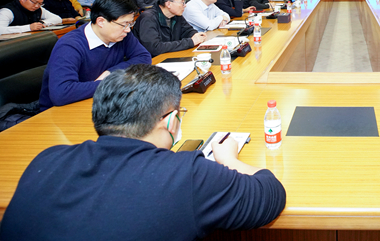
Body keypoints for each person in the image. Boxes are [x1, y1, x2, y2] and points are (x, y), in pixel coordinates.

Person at [1, 64, 286, 240]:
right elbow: (271, 193)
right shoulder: (186, 175)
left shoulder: (48, 159)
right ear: (170, 121)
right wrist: (229, 159)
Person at [39, 0, 151, 111]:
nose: (128, 29)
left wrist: (111, 73)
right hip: (63, 111)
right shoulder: (70, 45)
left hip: (101, 101)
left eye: (130, 24)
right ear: (101, 21)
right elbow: (61, 93)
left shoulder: (122, 34)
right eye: (124, 24)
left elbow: (144, 57)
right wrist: (112, 82)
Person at [133, 0, 206, 57]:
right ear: (168, 4)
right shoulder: (148, 18)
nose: (185, 5)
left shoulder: (176, 15)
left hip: (169, 56)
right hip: (151, 60)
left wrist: (197, 36)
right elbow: (155, 48)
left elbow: (188, 31)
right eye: (182, 2)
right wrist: (190, 42)